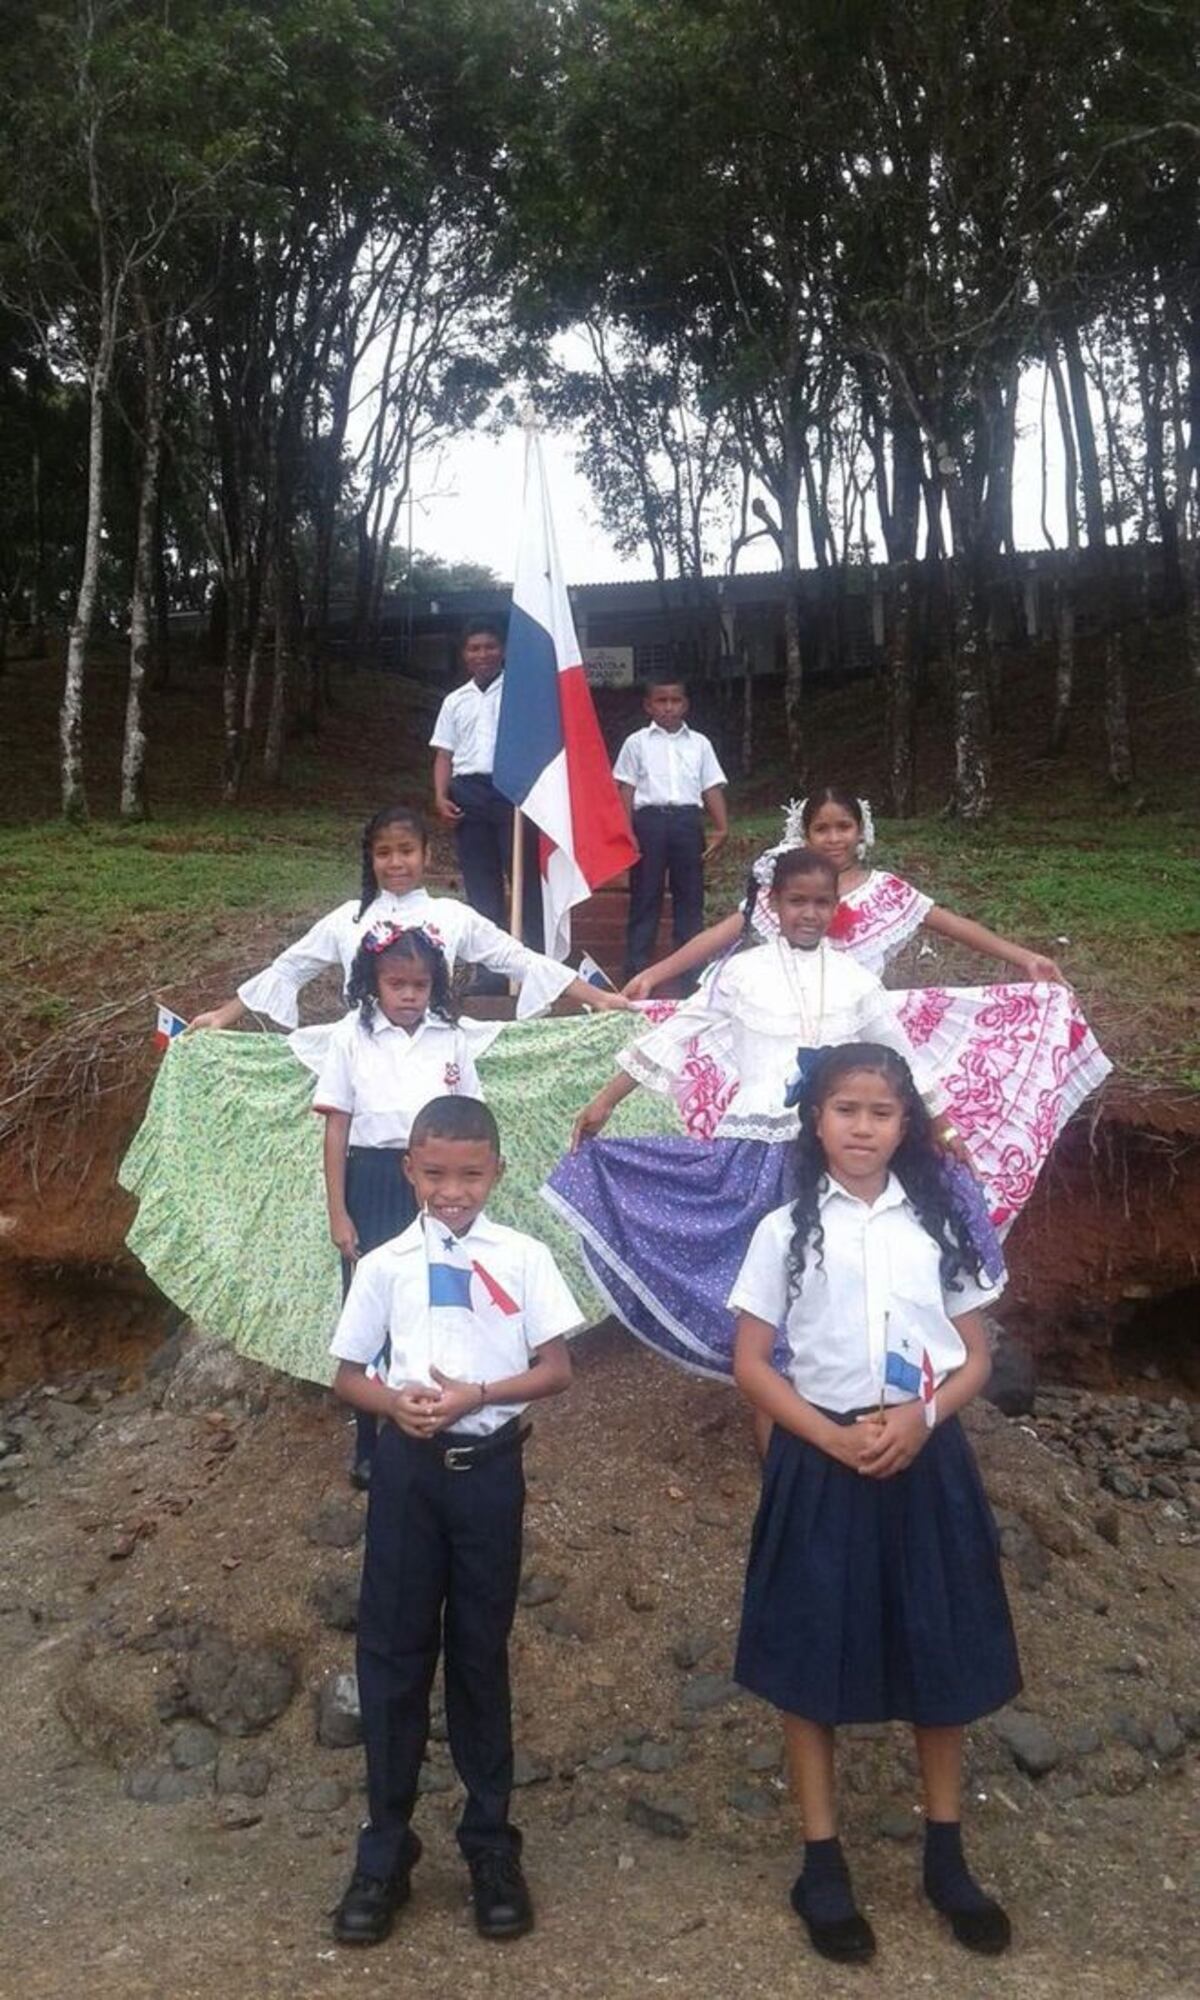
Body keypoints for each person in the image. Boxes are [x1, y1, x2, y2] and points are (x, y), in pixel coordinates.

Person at [730, 1042, 1020, 1964]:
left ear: (906, 1126)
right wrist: (826, 1437)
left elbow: (977, 1355)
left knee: (938, 1643)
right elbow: (750, 1364)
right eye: (846, 1110)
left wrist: (922, 1420)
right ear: (816, 1121)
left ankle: (946, 1856)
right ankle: (821, 1862)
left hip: (922, 1455)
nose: (863, 1127)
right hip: (823, 1457)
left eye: (881, 1112)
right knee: (810, 1648)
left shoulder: (938, 1221)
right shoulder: (783, 1230)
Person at [543, 847, 1001, 1377]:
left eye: (822, 902)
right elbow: (676, 1032)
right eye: (797, 901)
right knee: (762, 1274)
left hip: (836, 1154)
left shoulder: (855, 979)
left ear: (835, 907)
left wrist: (944, 1129)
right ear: (773, 904)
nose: (809, 913)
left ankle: (840, 1380)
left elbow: (903, 1059)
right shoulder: (739, 973)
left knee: (833, 1265)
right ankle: (768, 1389)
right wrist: (606, 1100)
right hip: (756, 1153)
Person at [623, 786, 1111, 1235]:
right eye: (822, 828)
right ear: (804, 834)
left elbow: (952, 924)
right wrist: (656, 973)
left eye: (844, 826)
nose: (834, 837)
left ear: (862, 832)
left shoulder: (886, 891)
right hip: (782, 1035)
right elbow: (723, 934)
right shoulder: (787, 891)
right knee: (775, 1168)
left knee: (876, 1146)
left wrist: (1023, 957)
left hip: (866, 1034)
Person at [329, 1096, 580, 1947]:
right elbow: (348, 1375)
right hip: (408, 1477)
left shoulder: (524, 1256)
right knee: (393, 1655)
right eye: (434, 1172)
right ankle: (385, 1851)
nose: (452, 1190)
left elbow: (556, 1368)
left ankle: (490, 1845)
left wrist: (479, 1394)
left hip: (489, 1474)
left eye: (470, 1174)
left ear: (496, 1173)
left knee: (479, 1653)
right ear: (408, 1170)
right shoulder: (385, 1264)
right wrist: (392, 1404)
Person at [186, 803, 629, 1032]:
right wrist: (223, 1016)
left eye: (406, 851)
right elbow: (289, 968)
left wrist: (598, 998)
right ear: (371, 859)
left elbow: (521, 960)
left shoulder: (451, 916)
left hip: (437, 1052)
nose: (395, 863)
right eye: (384, 853)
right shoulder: (347, 919)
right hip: (359, 1056)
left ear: (426, 854)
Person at [314, 921, 484, 1487]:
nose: (409, 995)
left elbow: (471, 1119)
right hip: (372, 1181)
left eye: (420, 984)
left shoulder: (451, 1037)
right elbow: (336, 1129)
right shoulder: (350, 1036)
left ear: (435, 984)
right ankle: (371, 1442)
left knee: (439, 1299)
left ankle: (442, 1422)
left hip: (439, 1183)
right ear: (373, 982)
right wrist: (339, 1211)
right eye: (397, 984)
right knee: (375, 1307)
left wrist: (465, 1191)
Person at [430, 617, 544, 981]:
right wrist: (440, 796)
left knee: (524, 880)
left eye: (490, 646)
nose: (482, 654)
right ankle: (491, 972)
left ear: (503, 649)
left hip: (512, 793)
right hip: (468, 794)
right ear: (464, 654)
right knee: (482, 886)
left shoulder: (520, 694)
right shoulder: (454, 701)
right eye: (474, 648)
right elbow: (444, 754)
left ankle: (536, 965)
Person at [612, 676, 728, 981]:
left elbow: (711, 786)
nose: (668, 707)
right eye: (661, 701)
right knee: (645, 896)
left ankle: (691, 976)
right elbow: (626, 788)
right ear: (648, 706)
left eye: (675, 700)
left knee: (690, 898)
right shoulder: (636, 743)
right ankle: (636, 972)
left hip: (687, 823)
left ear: (685, 704)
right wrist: (628, 831)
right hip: (649, 823)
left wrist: (721, 827)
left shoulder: (699, 743)